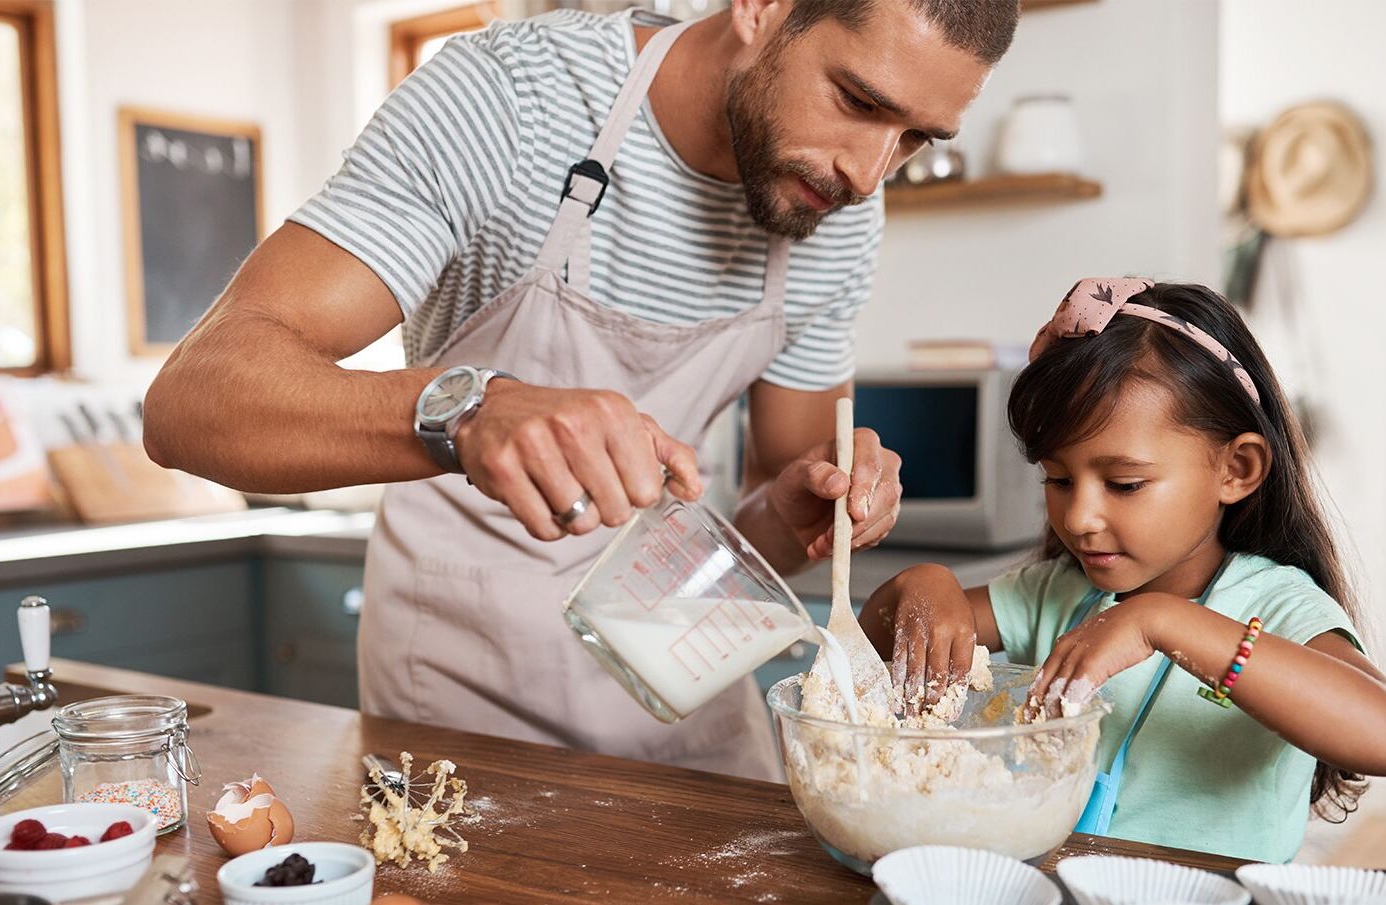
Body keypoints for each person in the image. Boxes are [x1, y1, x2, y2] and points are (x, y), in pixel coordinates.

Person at [142, 0, 1020, 780]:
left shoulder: (834, 207)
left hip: (681, 664)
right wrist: (468, 410)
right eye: (860, 102)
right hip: (465, 683)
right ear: (760, 7)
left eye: (912, 138)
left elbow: (771, 511)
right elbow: (191, 403)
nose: (869, 173)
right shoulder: (513, 100)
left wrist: (808, 505)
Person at [858, 280, 1386, 861]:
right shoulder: (1055, 595)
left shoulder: (1276, 604)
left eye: (1125, 484)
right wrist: (918, 584)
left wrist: (1162, 623)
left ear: (1237, 469)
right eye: (1058, 479)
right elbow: (870, 644)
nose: (1078, 517)